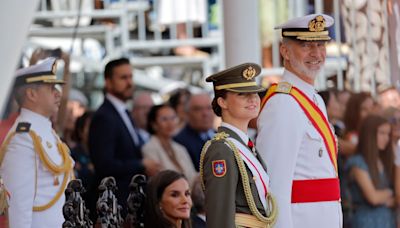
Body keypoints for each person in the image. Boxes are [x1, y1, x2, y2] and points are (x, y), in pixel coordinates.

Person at [257, 14, 342, 227]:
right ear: (285, 51)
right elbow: (274, 187)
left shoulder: (314, 99)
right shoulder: (283, 104)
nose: (316, 54)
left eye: (321, 45)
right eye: (306, 46)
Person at [0, 58, 74, 227]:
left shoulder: (45, 131)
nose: (58, 93)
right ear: (31, 94)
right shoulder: (23, 138)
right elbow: (18, 209)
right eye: (50, 88)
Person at [201, 63, 277, 227]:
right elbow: (220, 216)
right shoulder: (221, 150)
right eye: (243, 94)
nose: (253, 99)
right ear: (222, 102)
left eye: (255, 93)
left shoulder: (243, 145)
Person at [88, 57, 160, 215]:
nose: (129, 82)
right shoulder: (104, 117)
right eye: (123, 78)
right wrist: (141, 164)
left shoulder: (123, 112)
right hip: (114, 206)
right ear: (108, 82)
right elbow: (104, 164)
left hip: (128, 203)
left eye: (131, 77)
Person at [346, 115, 395, 228]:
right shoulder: (358, 162)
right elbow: (373, 197)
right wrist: (390, 192)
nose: (386, 138)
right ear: (369, 135)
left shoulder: (385, 160)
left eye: (388, 134)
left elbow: (396, 200)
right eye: (382, 133)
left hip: (388, 220)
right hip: (366, 222)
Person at [142, 104, 197, 185]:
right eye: (164, 119)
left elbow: (193, 177)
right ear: (154, 124)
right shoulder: (149, 148)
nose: (170, 123)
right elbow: (159, 181)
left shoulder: (180, 148)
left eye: (173, 118)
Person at [174, 93, 215, 171]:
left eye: (209, 108)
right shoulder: (179, 142)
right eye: (198, 109)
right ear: (187, 113)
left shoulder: (223, 136)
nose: (205, 113)